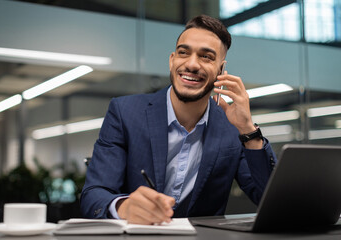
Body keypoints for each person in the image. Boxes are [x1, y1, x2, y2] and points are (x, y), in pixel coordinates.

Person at [80, 15, 276, 225]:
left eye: (206, 57)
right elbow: (94, 195)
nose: (191, 64)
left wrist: (248, 130)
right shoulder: (125, 112)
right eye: (184, 53)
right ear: (172, 60)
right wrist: (124, 207)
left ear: (220, 70)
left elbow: (271, 201)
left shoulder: (232, 128)